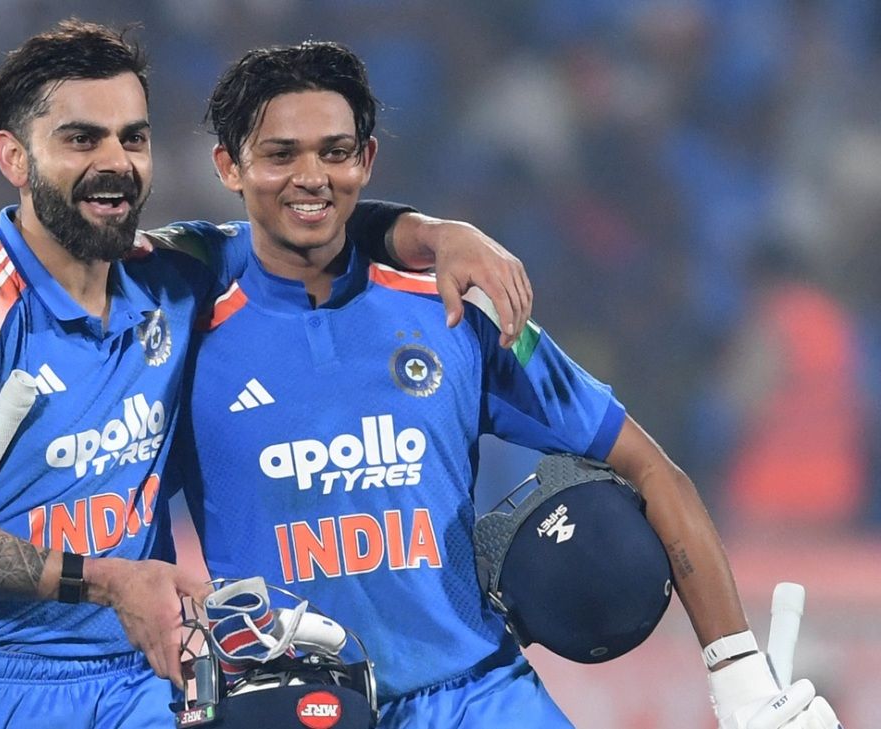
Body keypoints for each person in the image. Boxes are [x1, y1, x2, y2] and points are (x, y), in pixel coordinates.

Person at [0, 20, 536, 729]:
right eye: (81, 139)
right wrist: (106, 579)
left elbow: (305, 214)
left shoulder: (175, 271)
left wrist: (438, 234)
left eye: (133, 137)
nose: (115, 162)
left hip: (135, 681)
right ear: (14, 158)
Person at [157, 42, 841, 728]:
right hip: (293, 708)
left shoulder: (454, 307)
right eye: (281, 155)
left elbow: (650, 467)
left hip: (481, 698)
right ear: (229, 165)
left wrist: (739, 677)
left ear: (366, 159)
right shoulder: (177, 339)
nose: (311, 177)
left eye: (334, 152)